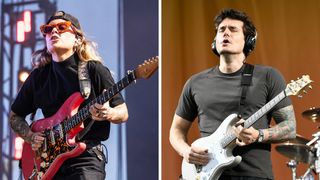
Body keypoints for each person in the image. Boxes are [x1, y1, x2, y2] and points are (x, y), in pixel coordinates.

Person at [169, 8, 296, 180]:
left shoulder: (268, 77)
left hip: (254, 175)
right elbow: (176, 130)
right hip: (205, 174)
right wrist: (186, 151)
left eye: (233, 29)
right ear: (214, 41)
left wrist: (259, 135)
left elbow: (290, 127)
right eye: (221, 30)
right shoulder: (195, 82)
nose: (225, 33)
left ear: (248, 41)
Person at [9, 11, 128, 179]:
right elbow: (15, 116)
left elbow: (123, 113)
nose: (54, 32)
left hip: (85, 159)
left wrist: (109, 113)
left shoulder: (94, 70)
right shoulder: (38, 77)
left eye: (61, 27)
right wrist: (30, 136)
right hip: (47, 162)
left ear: (77, 38)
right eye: (48, 29)